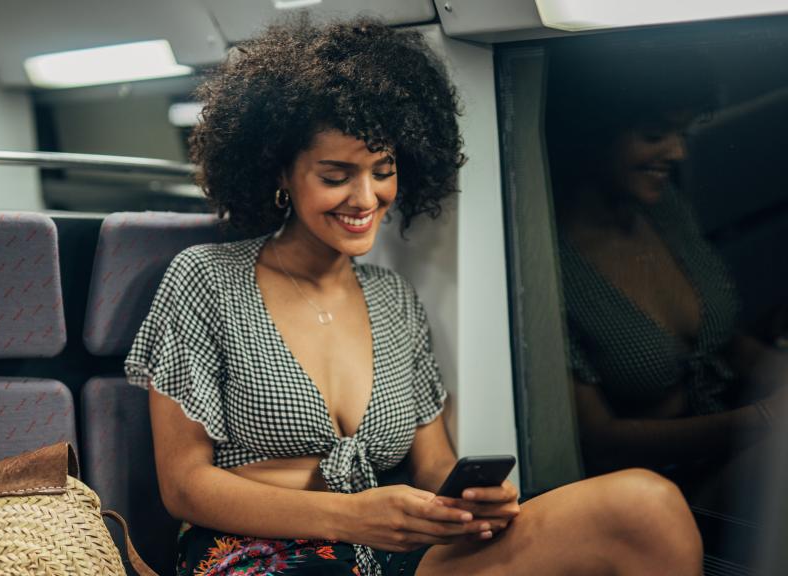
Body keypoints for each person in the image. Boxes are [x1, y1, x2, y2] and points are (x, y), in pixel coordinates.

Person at [126, 18, 702, 576]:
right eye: (335, 175)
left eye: (383, 170)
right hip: (254, 554)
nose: (366, 197)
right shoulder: (206, 278)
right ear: (280, 172)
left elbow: (432, 466)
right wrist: (352, 517)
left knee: (646, 507)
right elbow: (184, 484)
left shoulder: (393, 299)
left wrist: (469, 501)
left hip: (389, 552)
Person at [546, 43, 788, 518]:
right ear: (591, 134)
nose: (677, 152)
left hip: (735, 452)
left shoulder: (664, 209)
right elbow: (602, 439)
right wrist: (762, 421)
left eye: (681, 132)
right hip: (660, 494)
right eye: (655, 134)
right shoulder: (554, 269)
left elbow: (718, 343)